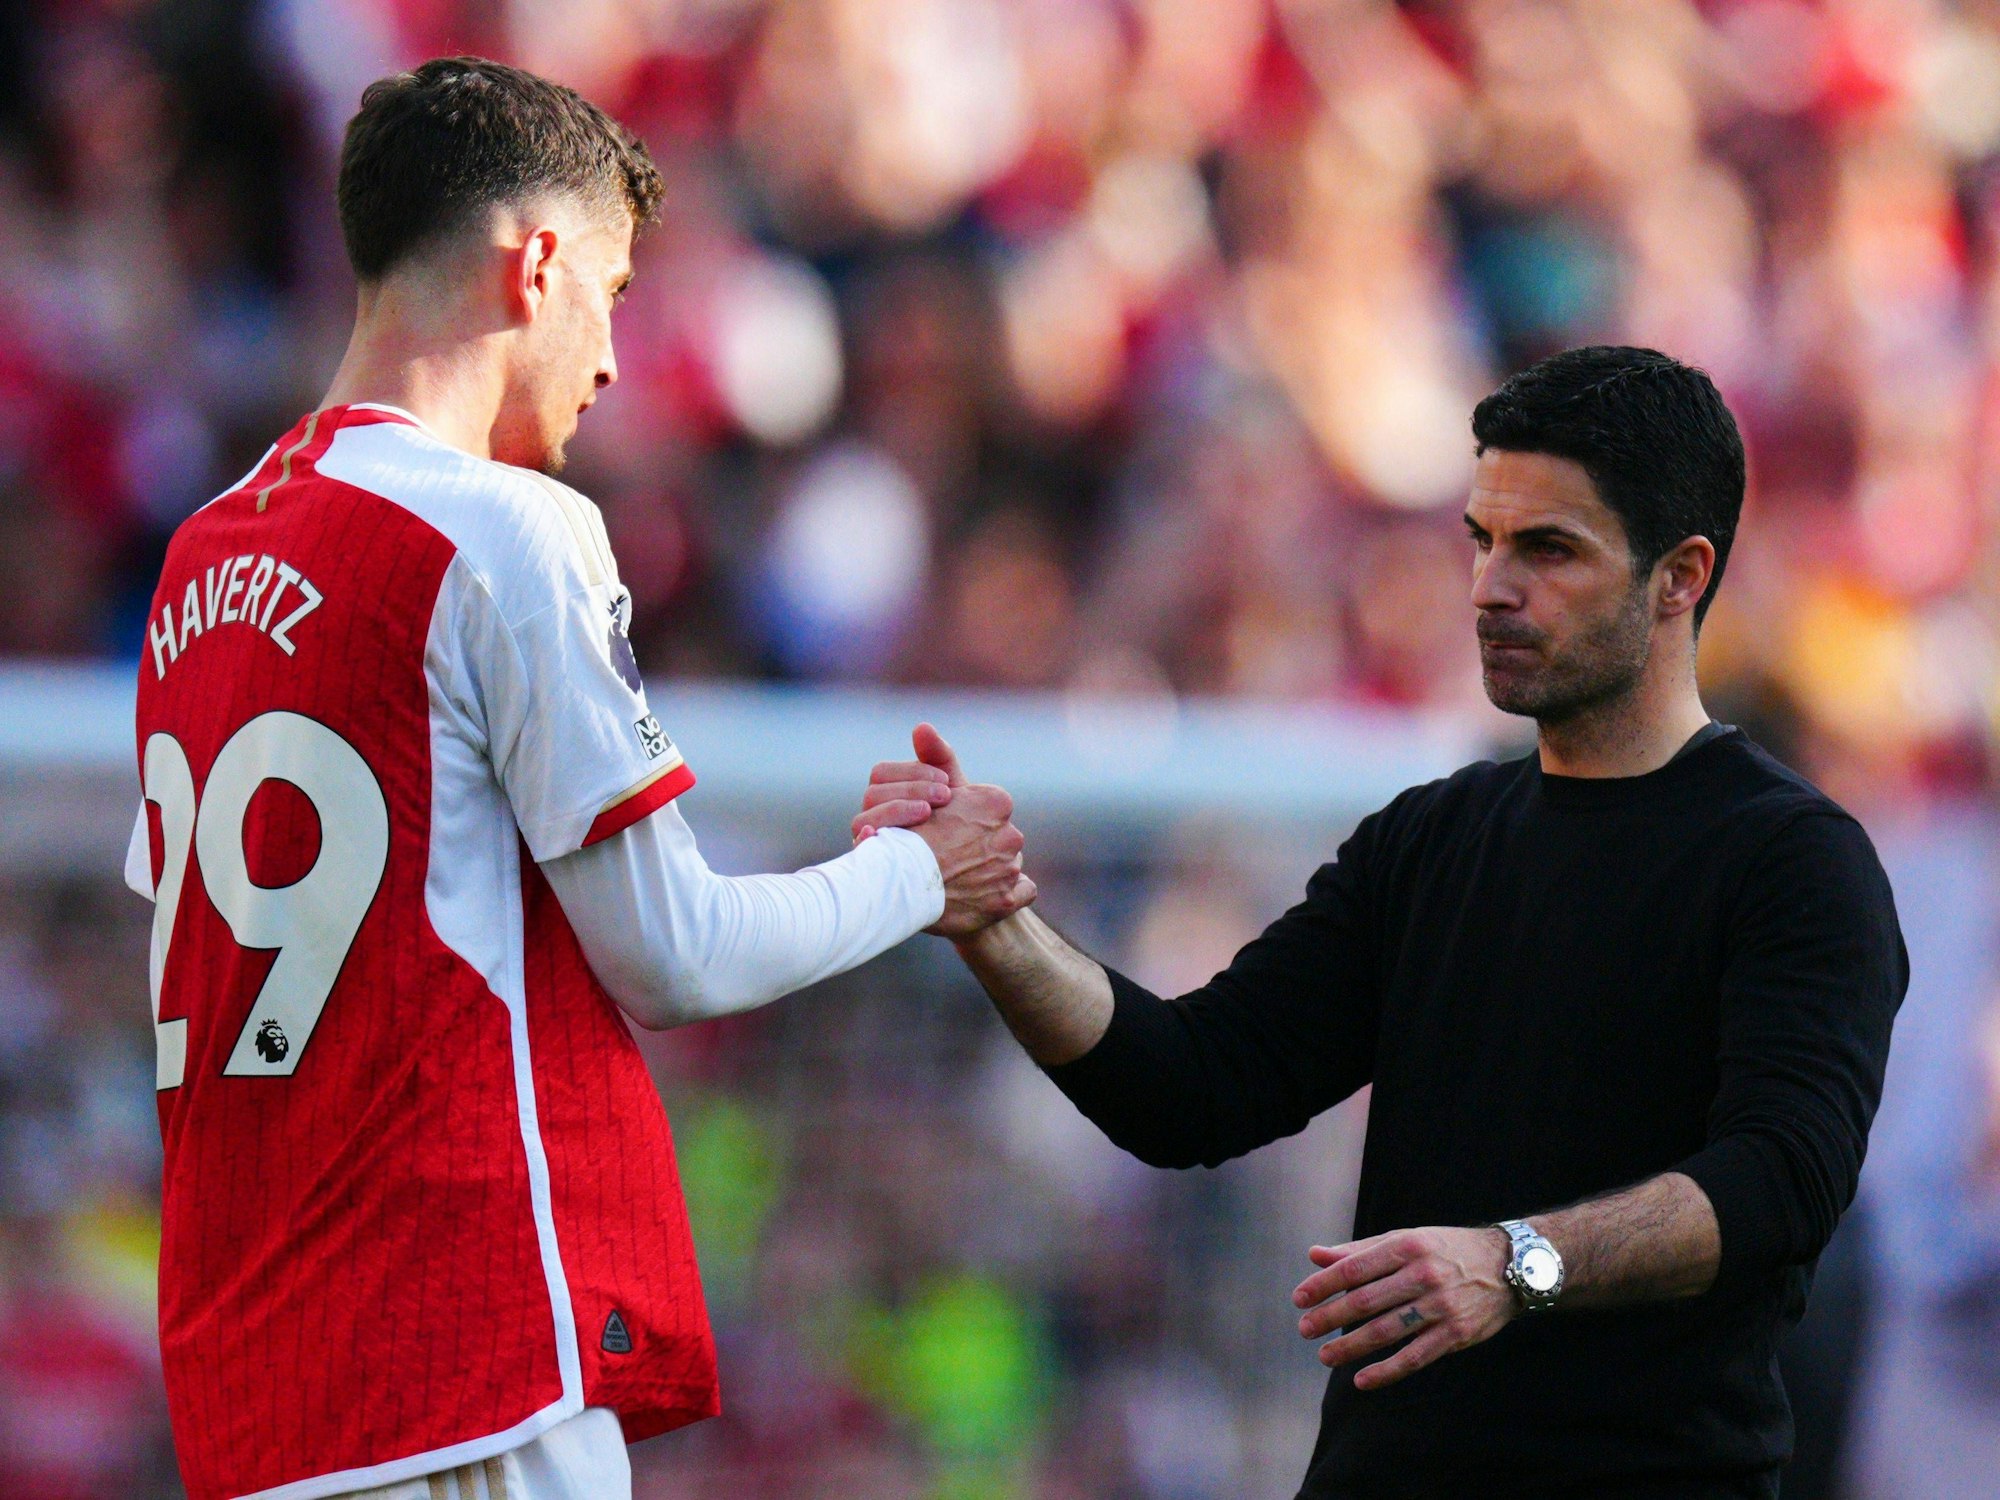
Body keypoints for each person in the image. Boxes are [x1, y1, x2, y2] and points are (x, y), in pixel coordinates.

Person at [123, 57, 1032, 1500]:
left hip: (256, 1393)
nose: (613, 356)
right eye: (611, 289)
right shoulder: (505, 531)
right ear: (537, 261)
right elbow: (673, 956)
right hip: (455, 1367)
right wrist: (922, 874)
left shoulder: (202, 558)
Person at [858, 346, 1908, 1497]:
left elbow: (1777, 1183)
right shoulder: (1429, 838)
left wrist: (1515, 1266)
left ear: (1678, 577)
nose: (1490, 588)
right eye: (1482, 541)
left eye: (1547, 550)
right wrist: (991, 922)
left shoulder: (1791, 860)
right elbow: (1193, 1083)